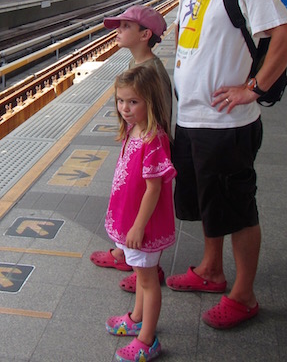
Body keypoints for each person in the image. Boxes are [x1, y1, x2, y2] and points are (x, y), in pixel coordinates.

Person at [168, 0, 287, 330]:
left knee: (237, 208)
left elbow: (286, 36)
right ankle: (210, 269)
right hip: (192, 120)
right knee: (210, 203)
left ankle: (243, 295)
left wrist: (254, 89)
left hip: (226, 124)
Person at [91, 5, 172, 294]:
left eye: (125, 26)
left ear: (145, 34)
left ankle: (148, 268)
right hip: (136, 150)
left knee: (142, 202)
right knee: (129, 203)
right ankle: (127, 254)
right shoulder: (140, 66)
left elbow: (158, 121)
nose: (118, 31)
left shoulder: (151, 72)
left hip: (148, 156)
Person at [103, 65, 176, 362]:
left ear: (150, 101)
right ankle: (136, 318)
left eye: (133, 102)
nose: (125, 108)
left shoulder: (153, 140)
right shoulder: (134, 129)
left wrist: (137, 228)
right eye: (121, 101)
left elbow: (154, 189)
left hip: (143, 227)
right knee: (140, 275)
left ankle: (148, 339)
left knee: (147, 280)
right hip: (132, 221)